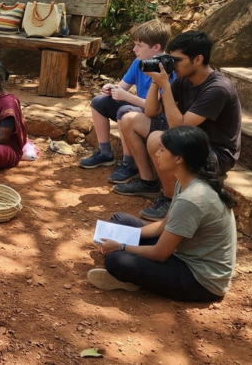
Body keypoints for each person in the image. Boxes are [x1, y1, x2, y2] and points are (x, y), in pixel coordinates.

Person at [89, 126, 237, 302]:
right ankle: (131, 268)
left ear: (179, 158)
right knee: (119, 220)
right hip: (181, 250)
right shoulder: (186, 181)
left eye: (162, 150)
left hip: (200, 280)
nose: (157, 154)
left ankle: (130, 279)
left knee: (116, 260)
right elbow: (163, 225)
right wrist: (124, 236)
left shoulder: (191, 199)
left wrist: (121, 246)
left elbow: (160, 253)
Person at [114, 31, 242, 220]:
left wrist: (165, 85)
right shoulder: (184, 80)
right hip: (191, 141)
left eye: (176, 60)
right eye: (170, 59)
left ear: (198, 59)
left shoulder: (217, 89)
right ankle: (148, 182)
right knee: (129, 119)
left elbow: (178, 127)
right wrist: (156, 83)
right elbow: (151, 111)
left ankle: (170, 200)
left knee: (158, 139)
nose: (172, 65)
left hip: (215, 153)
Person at [80, 19, 172, 185]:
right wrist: (111, 88)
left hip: (158, 116)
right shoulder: (139, 62)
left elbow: (157, 109)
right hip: (139, 108)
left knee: (125, 111)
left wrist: (126, 96)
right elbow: (122, 87)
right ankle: (104, 152)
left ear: (156, 47)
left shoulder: (168, 68)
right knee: (99, 102)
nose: (134, 49)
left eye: (139, 45)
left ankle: (129, 163)